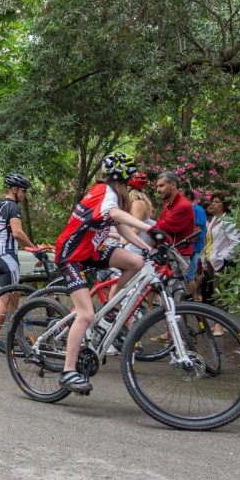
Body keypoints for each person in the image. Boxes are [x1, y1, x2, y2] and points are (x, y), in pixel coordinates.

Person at [53, 152, 155, 394]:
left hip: (90, 250)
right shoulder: (104, 191)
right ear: (125, 178)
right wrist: (151, 228)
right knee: (86, 314)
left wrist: (147, 247)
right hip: (71, 255)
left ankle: (112, 306)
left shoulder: (112, 195)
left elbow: (122, 228)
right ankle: (68, 371)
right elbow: (114, 214)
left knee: (136, 261)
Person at [0, 173, 38, 349]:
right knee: (5, 299)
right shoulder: (13, 207)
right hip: (8, 259)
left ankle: (17, 335)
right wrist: (34, 249)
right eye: (23, 191)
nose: (24, 195)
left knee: (14, 297)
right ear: (14, 189)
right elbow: (17, 233)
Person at [203, 193, 240, 310]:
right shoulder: (214, 219)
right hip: (213, 261)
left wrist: (223, 257)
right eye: (213, 201)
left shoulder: (228, 221)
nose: (213, 204)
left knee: (221, 295)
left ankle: (221, 321)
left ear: (224, 204)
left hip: (223, 263)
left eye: (217, 202)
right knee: (216, 294)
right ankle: (219, 319)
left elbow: (237, 242)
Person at [184, 190, 208, 299]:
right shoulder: (194, 209)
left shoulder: (196, 210)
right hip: (193, 248)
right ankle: (194, 297)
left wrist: (188, 243)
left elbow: (197, 231)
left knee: (189, 276)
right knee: (191, 275)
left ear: (188, 197)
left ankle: (192, 299)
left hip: (195, 248)